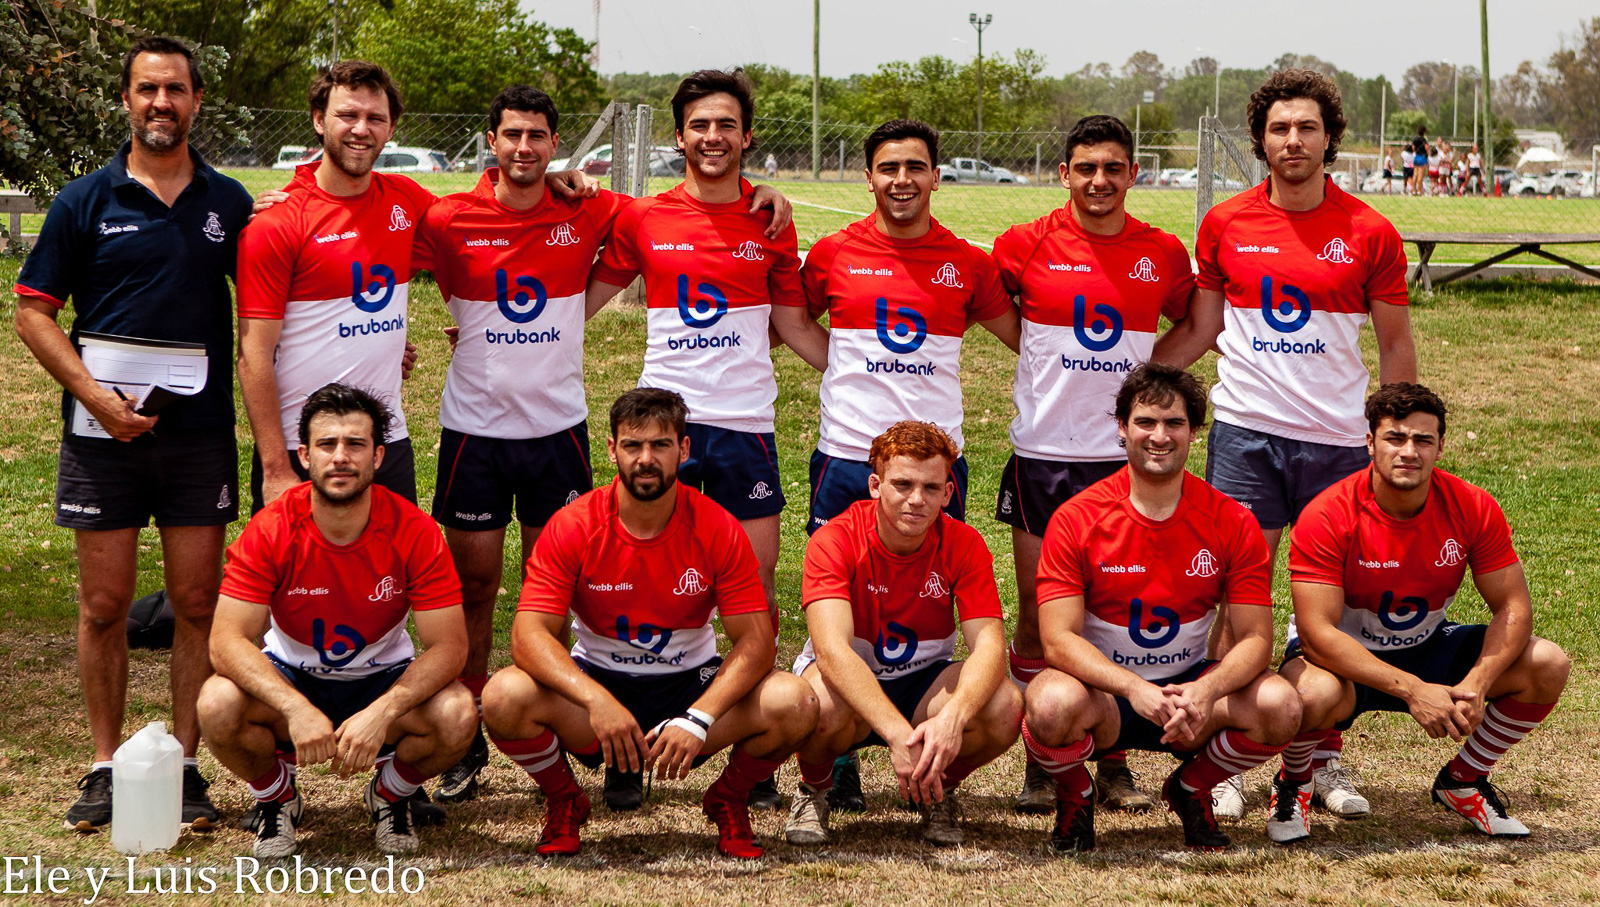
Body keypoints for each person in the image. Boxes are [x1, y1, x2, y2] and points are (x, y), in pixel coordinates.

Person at [1154, 68, 1416, 819]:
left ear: (1330, 136)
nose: (1292, 141)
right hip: (1246, 434)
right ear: (1260, 139)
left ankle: (1319, 759)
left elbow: (1396, 344)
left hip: (1337, 441)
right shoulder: (1225, 223)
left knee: (1332, 608)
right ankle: (1230, 757)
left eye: (1306, 127)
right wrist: (1134, 381)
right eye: (1279, 128)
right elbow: (1202, 328)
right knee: (1238, 595)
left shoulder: (1370, 229)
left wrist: (1392, 435)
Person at [13, 35, 251, 833]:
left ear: (196, 101)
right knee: (105, 604)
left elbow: (272, 302)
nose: (161, 103)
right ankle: (105, 765)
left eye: (176, 90)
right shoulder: (83, 200)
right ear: (126, 99)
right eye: (147, 89)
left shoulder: (227, 202)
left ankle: (185, 768)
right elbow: (33, 313)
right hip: (100, 436)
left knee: (194, 601)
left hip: (199, 435)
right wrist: (97, 398)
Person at [481, 388, 819, 859]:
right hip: (597, 689)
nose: (645, 459)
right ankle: (565, 801)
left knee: (796, 701)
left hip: (688, 687)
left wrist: (699, 718)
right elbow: (528, 636)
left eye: (660, 445)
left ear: (683, 449)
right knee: (502, 696)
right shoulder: (573, 524)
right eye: (633, 445)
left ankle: (728, 799)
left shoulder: (717, 525)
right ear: (612, 449)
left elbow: (757, 642)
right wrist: (596, 699)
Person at [798, 117, 1019, 812]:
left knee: (921, 599)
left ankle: (928, 744)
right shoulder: (832, 252)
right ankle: (838, 758)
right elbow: (793, 319)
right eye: (888, 167)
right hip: (846, 455)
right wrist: (842, 369)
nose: (902, 179)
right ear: (868, 176)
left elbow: (1021, 335)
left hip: (933, 464)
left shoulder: (966, 261)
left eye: (915, 167)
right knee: (845, 602)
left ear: (935, 176)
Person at [992, 115, 1196, 815]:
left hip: (1123, 461)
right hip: (1043, 457)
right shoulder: (1023, 244)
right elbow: (986, 303)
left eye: (1113, 167)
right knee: (1035, 616)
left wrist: (1149, 379)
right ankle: (1041, 759)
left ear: (1133, 173)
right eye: (1085, 168)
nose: (1099, 180)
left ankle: (1111, 761)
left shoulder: (1161, 253)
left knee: (1109, 616)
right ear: (1064, 174)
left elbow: (1202, 322)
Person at [1264, 383, 1568, 843]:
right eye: (1395, 438)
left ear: (1441, 446)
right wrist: (1414, 691)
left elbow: (1513, 604)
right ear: (1370, 443)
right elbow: (1316, 633)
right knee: (1309, 695)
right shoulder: (1328, 513)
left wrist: (1476, 683)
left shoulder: (1472, 505)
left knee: (1547, 663)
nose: (1409, 452)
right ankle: (1293, 783)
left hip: (1424, 643)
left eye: (1423, 440)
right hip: (1343, 658)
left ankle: (1462, 782)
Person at [1020, 364, 1301, 852]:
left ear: (1194, 431)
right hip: (1106, 695)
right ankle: (1076, 794)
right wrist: (1134, 689)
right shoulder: (1078, 517)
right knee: (1047, 703)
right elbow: (1057, 640)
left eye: (1174, 423)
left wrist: (1206, 690)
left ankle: (1191, 788)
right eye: (1146, 421)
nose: (1159, 435)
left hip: (1190, 692)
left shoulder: (1232, 520)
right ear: (1122, 427)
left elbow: (1256, 638)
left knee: (1281, 705)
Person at [586, 69, 829, 626]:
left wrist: (875, 371)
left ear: (747, 137)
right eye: (699, 125)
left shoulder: (771, 220)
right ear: (678, 136)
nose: (712, 136)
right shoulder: (644, 217)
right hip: (663, 424)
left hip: (744, 424)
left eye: (726, 125)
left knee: (755, 586)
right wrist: (486, 335)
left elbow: (794, 326)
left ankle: (760, 709)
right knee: (650, 575)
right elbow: (578, 305)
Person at [196, 384, 475, 858]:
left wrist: (382, 712)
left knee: (458, 714)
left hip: (381, 680)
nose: (340, 457)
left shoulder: (414, 530)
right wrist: (295, 707)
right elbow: (225, 641)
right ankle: (277, 798)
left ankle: (390, 795)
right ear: (304, 455)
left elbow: (450, 646)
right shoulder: (273, 527)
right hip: (292, 677)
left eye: (355, 445)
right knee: (217, 703)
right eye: (327, 445)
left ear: (378, 456)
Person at [783, 421, 1021, 846]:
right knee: (817, 703)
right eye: (902, 484)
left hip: (922, 684)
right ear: (875, 485)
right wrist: (896, 734)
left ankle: (936, 788)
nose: (916, 500)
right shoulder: (835, 539)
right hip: (849, 683)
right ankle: (815, 790)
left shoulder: (964, 543)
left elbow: (989, 646)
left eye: (931, 488)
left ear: (948, 493)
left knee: (1003, 704)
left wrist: (955, 716)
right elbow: (833, 652)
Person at [237, 60, 434, 513]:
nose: (361, 129)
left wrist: (551, 182)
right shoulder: (278, 223)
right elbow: (253, 357)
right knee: (301, 583)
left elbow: (486, 220)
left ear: (391, 128)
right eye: (348, 115)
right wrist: (274, 469)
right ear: (319, 119)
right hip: (302, 446)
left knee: (389, 578)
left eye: (375, 118)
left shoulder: (406, 199)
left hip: (386, 441)